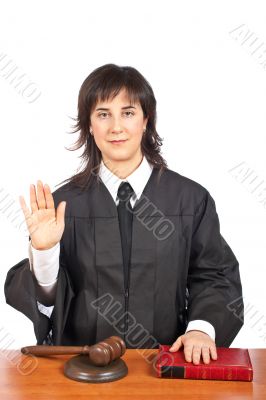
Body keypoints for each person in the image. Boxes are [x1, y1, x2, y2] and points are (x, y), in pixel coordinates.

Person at [4, 63, 244, 365]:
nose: (116, 126)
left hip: (166, 367)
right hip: (80, 371)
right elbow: (48, 302)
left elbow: (214, 275)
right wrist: (44, 252)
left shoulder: (190, 201)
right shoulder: (63, 206)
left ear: (146, 120)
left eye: (128, 113)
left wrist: (201, 329)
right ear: (89, 125)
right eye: (103, 114)